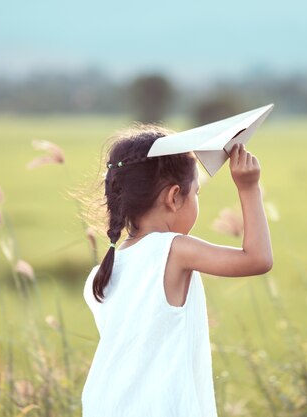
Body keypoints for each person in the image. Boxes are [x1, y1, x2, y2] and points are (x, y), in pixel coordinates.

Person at [81, 124, 273, 416]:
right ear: (173, 197)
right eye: (196, 193)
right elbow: (258, 259)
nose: (197, 200)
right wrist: (249, 187)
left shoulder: (100, 274)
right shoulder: (172, 250)